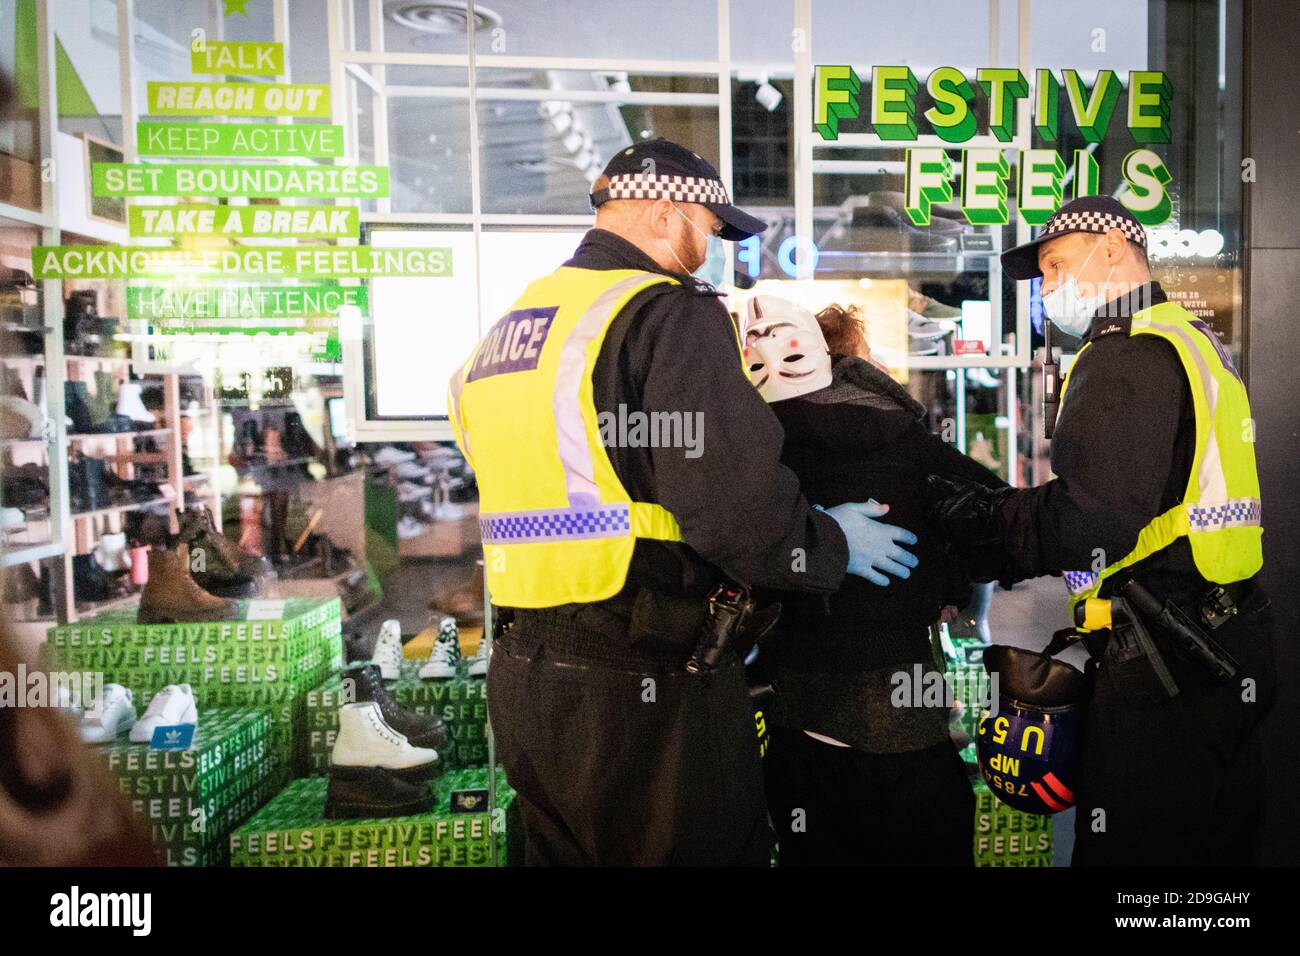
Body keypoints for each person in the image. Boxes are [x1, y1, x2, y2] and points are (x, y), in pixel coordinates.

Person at [446, 139, 920, 865]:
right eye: (708, 227)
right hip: (643, 684)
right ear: (667, 214)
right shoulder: (667, 315)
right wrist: (831, 544)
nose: (711, 250)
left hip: (524, 677)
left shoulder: (517, 325)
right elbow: (732, 505)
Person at [927, 195, 1276, 865]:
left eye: (1058, 265)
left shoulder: (1127, 353)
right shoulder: (1196, 341)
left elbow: (1088, 523)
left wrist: (979, 517)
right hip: (1230, 639)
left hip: (1164, 664)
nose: (1051, 286)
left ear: (1112, 248)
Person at [741, 295, 1005, 866]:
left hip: (797, 722)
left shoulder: (755, 452)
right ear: (848, 364)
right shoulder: (903, 441)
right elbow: (993, 519)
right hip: (903, 723)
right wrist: (949, 585)